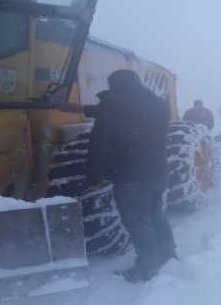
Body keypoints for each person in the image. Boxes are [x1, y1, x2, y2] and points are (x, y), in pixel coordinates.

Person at [67, 69, 177, 283]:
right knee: (155, 214)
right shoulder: (159, 102)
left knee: (137, 220)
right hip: (157, 170)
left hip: (131, 173)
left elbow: (100, 142)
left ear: (113, 85)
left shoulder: (113, 102)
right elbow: (134, 114)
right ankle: (168, 254)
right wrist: (87, 108)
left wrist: (94, 176)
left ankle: (147, 267)